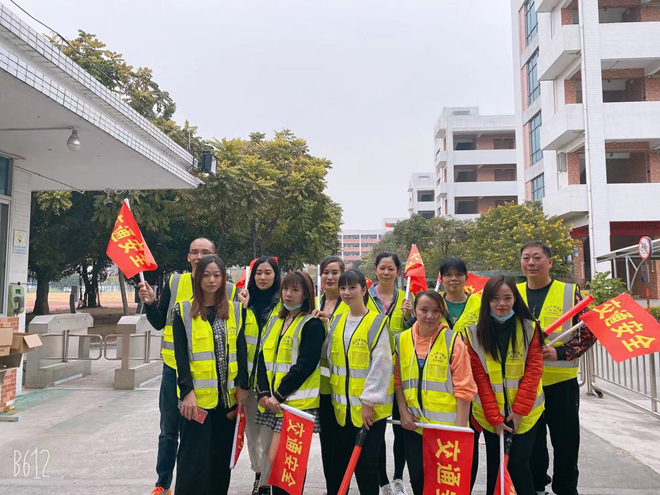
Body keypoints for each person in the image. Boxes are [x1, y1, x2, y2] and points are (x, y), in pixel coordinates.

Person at [139, 238, 238, 495]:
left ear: (215, 256)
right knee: (169, 429)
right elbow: (159, 322)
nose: (199, 256)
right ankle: (163, 484)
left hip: (213, 379)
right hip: (175, 368)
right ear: (188, 257)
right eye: (194, 252)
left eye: (205, 252)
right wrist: (150, 303)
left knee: (202, 438)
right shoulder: (175, 282)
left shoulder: (230, 290)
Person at [517, 241, 596, 495]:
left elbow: (589, 332)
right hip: (525, 385)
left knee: (566, 443)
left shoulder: (570, 293)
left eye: (537, 257)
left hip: (561, 384)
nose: (531, 263)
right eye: (526, 258)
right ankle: (537, 487)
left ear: (550, 262)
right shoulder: (513, 294)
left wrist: (560, 352)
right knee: (532, 443)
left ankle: (565, 489)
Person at [170, 255, 249, 495]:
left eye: (217, 275)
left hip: (227, 400)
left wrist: (243, 387)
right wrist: (187, 392)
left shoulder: (235, 310)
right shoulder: (183, 311)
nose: (212, 280)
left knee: (220, 461)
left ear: (224, 278)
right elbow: (181, 357)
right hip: (197, 402)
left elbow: (242, 350)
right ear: (198, 278)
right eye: (206, 275)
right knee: (192, 461)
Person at [466, 276, 545, 495]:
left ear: (515, 300)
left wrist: (519, 412)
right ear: (487, 301)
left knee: (519, 465)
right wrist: (495, 418)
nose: (501, 304)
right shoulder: (473, 334)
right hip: (491, 416)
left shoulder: (530, 329)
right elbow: (480, 379)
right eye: (495, 298)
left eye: (507, 298)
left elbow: (534, 371)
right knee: (496, 467)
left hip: (525, 414)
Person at [395, 290, 476, 495]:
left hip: (446, 431)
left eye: (436, 311)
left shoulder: (453, 341)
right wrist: (403, 413)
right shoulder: (402, 340)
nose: (430, 316)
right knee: (418, 480)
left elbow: (464, 388)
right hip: (416, 428)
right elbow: (397, 381)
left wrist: (460, 431)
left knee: (444, 484)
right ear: (414, 310)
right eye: (424, 310)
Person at [255, 271, 325, 495]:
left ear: (306, 294)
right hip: (274, 403)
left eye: (295, 290)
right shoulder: (275, 320)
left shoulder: (312, 324)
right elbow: (262, 357)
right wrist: (263, 392)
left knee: (286, 462)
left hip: (296, 405)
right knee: (277, 462)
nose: (288, 294)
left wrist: (278, 395)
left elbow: (305, 365)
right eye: (285, 288)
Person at [327, 269, 394, 495]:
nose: (347, 292)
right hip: (342, 411)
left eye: (352, 287)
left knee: (367, 469)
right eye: (343, 288)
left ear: (364, 290)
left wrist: (368, 402)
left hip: (369, 414)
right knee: (342, 468)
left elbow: (382, 365)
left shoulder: (377, 323)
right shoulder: (337, 321)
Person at [369, 252, 414, 495]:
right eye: (382, 268)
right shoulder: (365, 297)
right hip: (374, 372)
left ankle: (398, 477)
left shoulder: (407, 298)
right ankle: (383, 481)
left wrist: (410, 316)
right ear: (375, 269)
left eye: (391, 268)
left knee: (401, 426)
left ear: (398, 272)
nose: (386, 272)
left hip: (401, 372)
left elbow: (417, 331)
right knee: (376, 427)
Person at [437, 257, 482, 490]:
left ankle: (465, 488)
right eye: (448, 274)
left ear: (466, 277)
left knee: (467, 439)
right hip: (439, 384)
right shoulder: (434, 303)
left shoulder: (479, 304)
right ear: (441, 278)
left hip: (472, 383)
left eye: (458, 274)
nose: (453, 279)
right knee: (441, 443)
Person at [243, 256, 281, 495]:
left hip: (272, 383)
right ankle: (258, 473)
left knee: (268, 436)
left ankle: (266, 483)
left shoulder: (283, 304)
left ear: (276, 276)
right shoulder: (243, 303)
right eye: (258, 273)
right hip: (248, 383)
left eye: (268, 273)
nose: (263, 277)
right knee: (252, 435)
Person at [312, 255, 350, 494]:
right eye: (325, 272)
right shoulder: (315, 303)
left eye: (335, 272)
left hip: (345, 388)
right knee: (328, 446)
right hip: (322, 388)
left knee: (344, 446)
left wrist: (329, 323)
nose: (329, 277)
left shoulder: (350, 303)